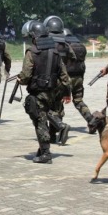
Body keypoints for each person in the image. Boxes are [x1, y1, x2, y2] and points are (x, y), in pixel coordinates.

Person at [17, 20, 71, 163]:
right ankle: (54, 133)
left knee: (39, 120)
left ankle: (46, 153)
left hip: (37, 92)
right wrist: (67, 92)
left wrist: (20, 79)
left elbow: (26, 75)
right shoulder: (55, 52)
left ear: (34, 37)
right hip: (52, 92)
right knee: (45, 114)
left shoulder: (31, 52)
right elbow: (65, 77)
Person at [44, 15, 73, 145]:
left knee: (44, 106)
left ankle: (58, 128)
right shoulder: (65, 44)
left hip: (49, 80)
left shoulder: (46, 42)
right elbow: (72, 58)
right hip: (62, 80)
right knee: (58, 107)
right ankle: (54, 134)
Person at [62, 28, 94, 132]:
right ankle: (91, 119)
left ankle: (58, 126)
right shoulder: (81, 45)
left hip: (67, 78)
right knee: (78, 101)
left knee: (57, 103)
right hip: (79, 77)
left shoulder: (64, 45)